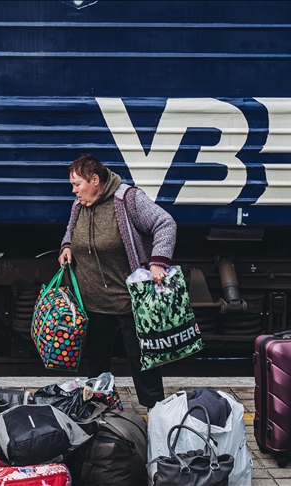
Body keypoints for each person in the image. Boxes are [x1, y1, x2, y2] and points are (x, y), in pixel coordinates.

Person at [58, 154, 177, 409]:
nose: (73, 190)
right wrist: (67, 246)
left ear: (95, 180)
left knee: (143, 363)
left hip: (128, 301)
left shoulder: (128, 199)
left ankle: (155, 414)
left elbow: (165, 223)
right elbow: (70, 230)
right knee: (96, 365)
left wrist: (158, 261)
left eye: (77, 184)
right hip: (92, 301)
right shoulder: (79, 204)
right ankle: (97, 410)